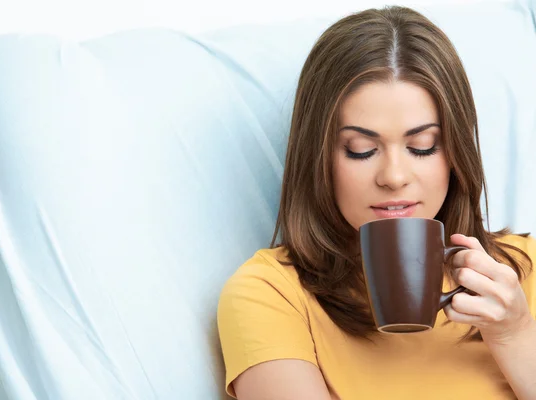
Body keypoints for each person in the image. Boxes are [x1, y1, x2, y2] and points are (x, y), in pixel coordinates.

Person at [216, 6, 536, 400]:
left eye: (423, 146)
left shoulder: (522, 272)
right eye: (361, 150)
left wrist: (515, 333)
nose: (394, 176)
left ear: (455, 153)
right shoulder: (270, 293)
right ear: (318, 158)